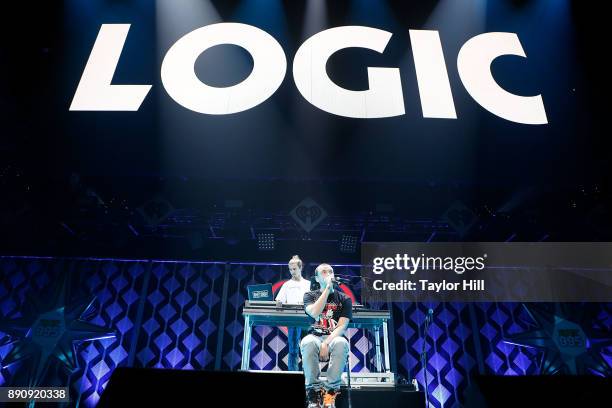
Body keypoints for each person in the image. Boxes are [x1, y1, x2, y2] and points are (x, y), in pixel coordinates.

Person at [301, 263, 352, 408]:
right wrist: (328, 289)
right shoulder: (309, 296)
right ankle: (314, 393)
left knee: (342, 343)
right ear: (317, 278)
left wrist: (326, 343)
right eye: (324, 272)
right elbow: (314, 313)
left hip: (333, 338)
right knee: (308, 342)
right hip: (315, 337)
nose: (328, 273)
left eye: (331, 271)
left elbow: (342, 326)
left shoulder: (344, 298)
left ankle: (330, 394)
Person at [275, 255, 311, 371]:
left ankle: (308, 375)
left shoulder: (308, 284)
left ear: (300, 268)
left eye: (294, 269)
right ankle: (292, 374)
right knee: (293, 350)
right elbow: (279, 300)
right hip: (292, 320)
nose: (292, 272)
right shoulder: (287, 285)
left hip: (306, 320)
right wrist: (280, 303)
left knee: (307, 349)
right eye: (290, 269)